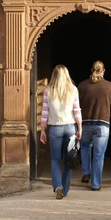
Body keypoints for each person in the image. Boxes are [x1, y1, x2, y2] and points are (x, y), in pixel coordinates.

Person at [40, 65, 82, 200]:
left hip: (54, 128)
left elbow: (44, 112)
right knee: (68, 159)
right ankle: (64, 190)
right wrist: (80, 128)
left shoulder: (48, 90)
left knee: (55, 159)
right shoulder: (73, 89)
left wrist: (42, 130)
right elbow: (77, 110)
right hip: (70, 127)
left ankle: (58, 186)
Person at [78, 60, 111, 191]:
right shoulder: (109, 86)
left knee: (84, 147)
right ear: (103, 71)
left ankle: (86, 172)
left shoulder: (82, 86)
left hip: (85, 123)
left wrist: (75, 122)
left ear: (92, 70)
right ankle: (95, 184)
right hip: (103, 125)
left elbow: (76, 106)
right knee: (98, 155)